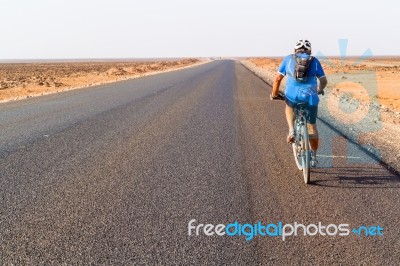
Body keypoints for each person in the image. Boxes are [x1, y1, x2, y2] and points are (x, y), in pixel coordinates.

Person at [271, 39, 327, 166]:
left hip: (292, 96)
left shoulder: (288, 59)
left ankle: (291, 131)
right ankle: (313, 156)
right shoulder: (314, 61)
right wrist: (319, 89)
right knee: (312, 127)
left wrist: (274, 94)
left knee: (289, 106)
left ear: (295, 51)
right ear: (310, 50)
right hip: (310, 97)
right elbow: (323, 80)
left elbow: (277, 79)